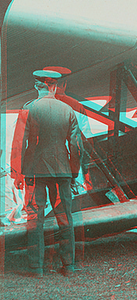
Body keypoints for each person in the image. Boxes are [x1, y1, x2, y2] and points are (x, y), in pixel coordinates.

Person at [11, 70, 83, 277]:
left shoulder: (29, 109)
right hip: (62, 172)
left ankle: (37, 268)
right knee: (65, 217)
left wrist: (17, 174)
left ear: (37, 86)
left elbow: (18, 144)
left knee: (35, 218)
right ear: (55, 86)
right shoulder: (68, 110)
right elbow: (77, 147)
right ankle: (68, 265)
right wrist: (74, 172)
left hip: (35, 171)